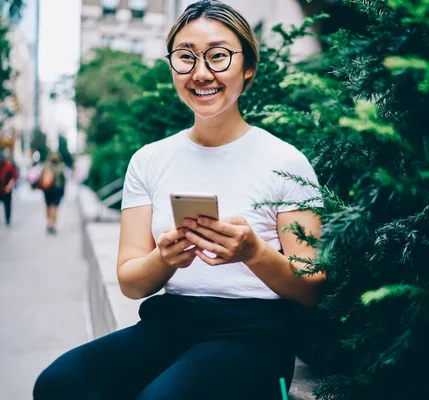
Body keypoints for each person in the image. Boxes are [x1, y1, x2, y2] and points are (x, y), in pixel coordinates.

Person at [33, 1, 325, 399]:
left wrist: (253, 251)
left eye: (218, 56)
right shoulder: (149, 161)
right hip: (168, 324)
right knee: (58, 385)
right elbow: (131, 283)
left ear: (249, 67)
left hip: (255, 334)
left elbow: (311, 288)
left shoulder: (286, 162)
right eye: (185, 58)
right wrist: (164, 259)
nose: (201, 72)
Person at [40, 151, 66, 234]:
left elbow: (41, 177)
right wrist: (63, 191)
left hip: (47, 189)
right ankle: (53, 224)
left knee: (48, 206)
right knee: (54, 207)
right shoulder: (61, 166)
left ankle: (49, 223)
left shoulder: (46, 165)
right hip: (57, 188)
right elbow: (63, 180)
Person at [0, 152, 18, 227]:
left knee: (7, 205)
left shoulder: (9, 167)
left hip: (7, 189)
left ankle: (7, 219)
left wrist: (9, 186)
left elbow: (14, 176)